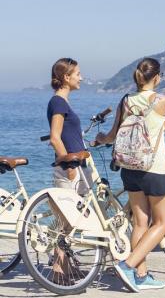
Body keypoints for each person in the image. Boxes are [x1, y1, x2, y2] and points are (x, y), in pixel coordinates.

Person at [95, 57, 165, 292]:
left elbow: (112, 136)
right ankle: (128, 265)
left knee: (140, 222)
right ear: (158, 78)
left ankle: (141, 276)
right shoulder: (163, 100)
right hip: (154, 169)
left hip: (129, 169)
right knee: (163, 222)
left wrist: (102, 139)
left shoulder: (125, 101)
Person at [47, 57, 92, 285]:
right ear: (66, 77)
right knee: (66, 221)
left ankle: (65, 266)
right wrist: (69, 164)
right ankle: (58, 269)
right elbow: (55, 138)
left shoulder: (63, 102)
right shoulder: (58, 103)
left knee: (70, 221)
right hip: (69, 168)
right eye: (78, 74)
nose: (81, 77)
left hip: (76, 165)